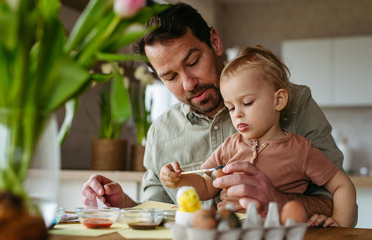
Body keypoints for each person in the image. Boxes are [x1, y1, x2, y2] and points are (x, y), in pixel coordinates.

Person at [82, 2, 354, 227]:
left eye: (193, 62)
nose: (188, 83)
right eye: (171, 76)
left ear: (214, 41)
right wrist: (121, 205)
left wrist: (275, 198)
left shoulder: (294, 102)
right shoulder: (161, 132)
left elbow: (336, 198)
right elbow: (162, 217)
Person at [159, 45, 356, 227]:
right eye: (231, 107)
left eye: (247, 102)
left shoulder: (301, 150)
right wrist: (178, 180)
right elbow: (204, 185)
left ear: (278, 100)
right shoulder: (231, 146)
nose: (237, 114)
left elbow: (342, 185)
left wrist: (338, 225)